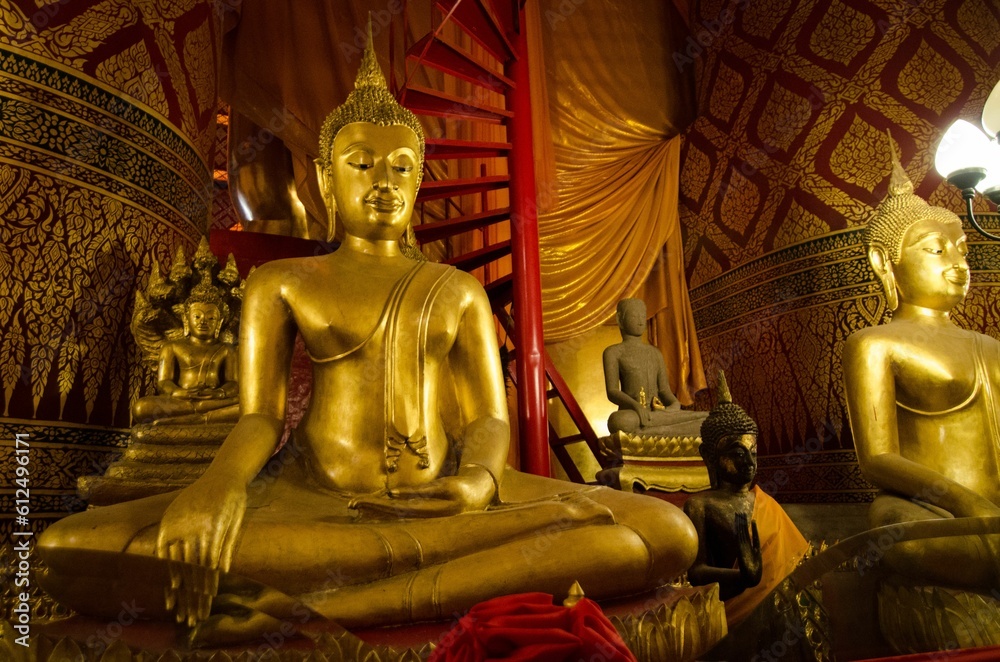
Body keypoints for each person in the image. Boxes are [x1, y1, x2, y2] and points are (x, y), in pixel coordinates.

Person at [38, 32, 697, 637]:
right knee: (62, 551)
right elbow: (261, 418)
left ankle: (320, 609)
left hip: (450, 502)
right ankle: (472, 565)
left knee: (665, 534)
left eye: (401, 169)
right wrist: (211, 491)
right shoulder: (288, 281)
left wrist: (471, 487)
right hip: (319, 502)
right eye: (362, 165)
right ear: (325, 178)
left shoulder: (457, 290)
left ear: (418, 180)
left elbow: (486, 422)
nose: (384, 183)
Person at [842, 143, 1000, 590]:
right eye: (935, 250)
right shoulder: (874, 344)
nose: (957, 264)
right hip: (932, 510)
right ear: (883, 262)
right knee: (903, 538)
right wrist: (970, 504)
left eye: (961, 250)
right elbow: (877, 458)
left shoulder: (988, 344)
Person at [684, 371, 808, 626]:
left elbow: (794, 565)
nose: (749, 462)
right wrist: (743, 577)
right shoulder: (700, 505)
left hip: (778, 617)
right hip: (731, 614)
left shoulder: (765, 504)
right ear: (709, 455)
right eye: (738, 454)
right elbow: (696, 572)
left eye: (752, 452)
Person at [130, 276, 239, 425]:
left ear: (219, 323)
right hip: (181, 402)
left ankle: (196, 418)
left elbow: (233, 383)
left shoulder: (226, 349)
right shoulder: (172, 347)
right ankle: (203, 417)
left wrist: (219, 393)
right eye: (197, 316)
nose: (203, 321)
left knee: (246, 406)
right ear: (186, 320)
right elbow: (163, 382)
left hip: (213, 400)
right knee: (141, 408)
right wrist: (180, 393)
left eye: (211, 318)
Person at [603, 298, 706, 436]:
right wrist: (637, 407)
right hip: (634, 415)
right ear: (620, 319)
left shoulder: (655, 353)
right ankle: (661, 431)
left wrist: (674, 406)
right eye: (634, 315)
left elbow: (664, 391)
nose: (640, 320)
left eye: (643, 315)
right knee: (619, 422)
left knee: (706, 419)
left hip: (658, 415)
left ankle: (652, 431)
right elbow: (613, 391)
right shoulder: (613, 353)